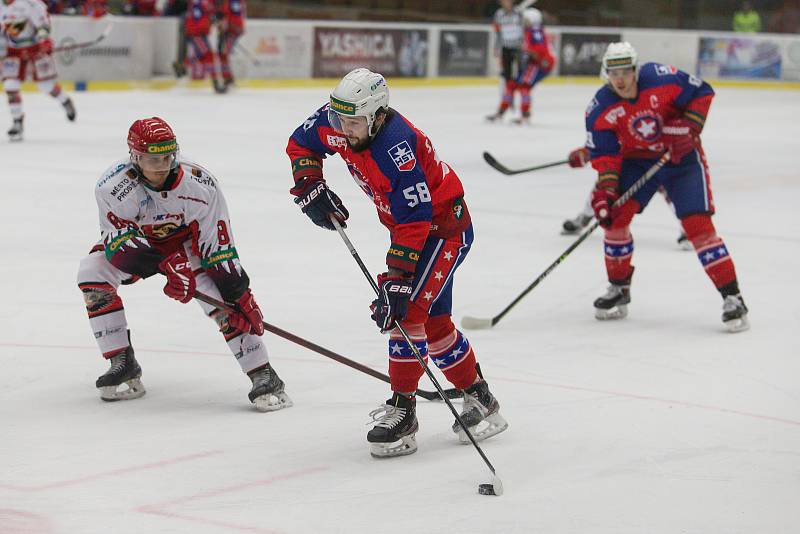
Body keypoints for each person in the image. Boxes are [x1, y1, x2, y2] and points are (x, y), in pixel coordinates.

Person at [286, 68, 508, 458]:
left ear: (376, 116)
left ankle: (403, 411)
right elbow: (301, 143)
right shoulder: (338, 117)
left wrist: (398, 278)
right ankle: (480, 399)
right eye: (339, 118)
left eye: (352, 121)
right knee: (434, 325)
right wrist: (310, 185)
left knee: (406, 314)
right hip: (409, 228)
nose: (342, 127)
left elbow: (416, 216)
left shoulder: (396, 147)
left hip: (441, 229)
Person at [77, 117, 292, 410]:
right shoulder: (112, 187)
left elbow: (218, 247)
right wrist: (166, 264)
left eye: (167, 156)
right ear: (135, 157)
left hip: (190, 249)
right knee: (91, 273)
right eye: (153, 159)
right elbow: (119, 247)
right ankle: (122, 362)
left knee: (225, 303)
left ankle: (264, 374)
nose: (162, 166)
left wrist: (239, 293)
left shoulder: (201, 184)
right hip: (146, 248)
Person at [585, 42, 749, 332]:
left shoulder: (663, 78)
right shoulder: (599, 108)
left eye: (625, 71)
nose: (620, 78)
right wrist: (606, 193)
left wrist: (689, 128)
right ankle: (619, 289)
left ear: (635, 70)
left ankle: (732, 297)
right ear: (606, 74)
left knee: (698, 227)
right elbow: (606, 156)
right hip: (637, 162)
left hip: (682, 160)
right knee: (615, 220)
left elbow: (702, 91)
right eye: (614, 73)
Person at [562, 146, 692, 250]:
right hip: (629, 161)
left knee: (667, 185)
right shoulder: (611, 114)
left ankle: (688, 226)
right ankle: (585, 216)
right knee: (606, 185)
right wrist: (587, 152)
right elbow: (604, 138)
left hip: (656, 155)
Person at [1, 0, 75, 141]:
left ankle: (64, 101)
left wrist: (44, 40)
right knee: (10, 85)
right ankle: (17, 122)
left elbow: (42, 24)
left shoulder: (29, 3)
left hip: (35, 48)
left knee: (46, 86)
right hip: (13, 51)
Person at [486, 0, 536, 122]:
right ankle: (505, 107)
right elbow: (498, 32)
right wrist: (496, 47)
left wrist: (527, 47)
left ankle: (525, 111)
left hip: (519, 49)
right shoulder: (499, 14)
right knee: (507, 79)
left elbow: (528, 28)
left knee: (523, 79)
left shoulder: (520, 13)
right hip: (506, 49)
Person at [511, 7, 554, 125]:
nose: (524, 22)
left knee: (524, 86)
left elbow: (539, 50)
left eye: (526, 20)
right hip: (539, 62)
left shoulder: (534, 30)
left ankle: (525, 115)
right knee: (525, 87)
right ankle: (525, 114)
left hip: (539, 63)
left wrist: (526, 51)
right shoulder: (533, 30)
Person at [214, 0, 244, 92]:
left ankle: (228, 78)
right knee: (222, 53)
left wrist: (224, 25)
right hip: (230, 30)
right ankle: (228, 77)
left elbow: (231, 17)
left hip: (232, 30)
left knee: (223, 52)